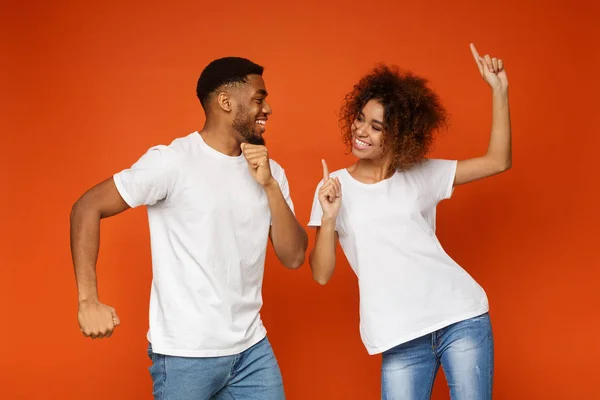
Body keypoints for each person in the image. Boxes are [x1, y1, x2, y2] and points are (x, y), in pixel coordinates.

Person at [70, 56, 308, 399]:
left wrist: (270, 186)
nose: (267, 108)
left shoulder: (271, 172)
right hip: (186, 354)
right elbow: (87, 207)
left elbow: (294, 256)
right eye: (258, 99)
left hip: (252, 348)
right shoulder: (172, 162)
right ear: (225, 102)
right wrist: (87, 299)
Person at [308, 44, 511, 399]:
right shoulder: (333, 188)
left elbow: (497, 161)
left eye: (376, 126)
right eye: (360, 119)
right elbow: (321, 274)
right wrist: (329, 218)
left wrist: (499, 90)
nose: (361, 131)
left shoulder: (421, 174)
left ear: (400, 136)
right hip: (399, 338)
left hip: (460, 318)